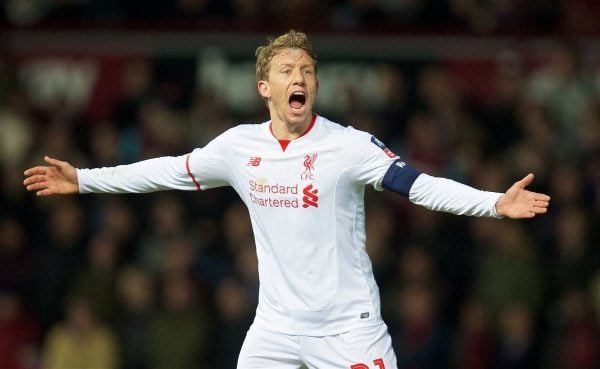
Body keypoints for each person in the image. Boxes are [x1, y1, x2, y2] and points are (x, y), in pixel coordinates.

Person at [24, 30, 550, 369]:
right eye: (287, 71)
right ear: (264, 88)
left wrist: (492, 203)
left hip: (349, 329)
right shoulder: (237, 147)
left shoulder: (347, 146)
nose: (299, 78)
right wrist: (85, 180)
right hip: (275, 329)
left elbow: (418, 185)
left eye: (307, 71)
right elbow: (166, 171)